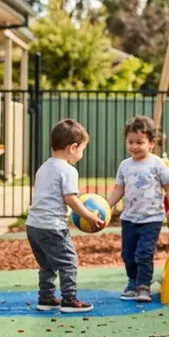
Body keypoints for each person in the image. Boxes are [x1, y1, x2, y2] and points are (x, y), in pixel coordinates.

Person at [25, 119, 102, 313]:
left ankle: (46, 298)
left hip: (33, 226)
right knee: (69, 262)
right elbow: (71, 200)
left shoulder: (44, 168)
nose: (82, 154)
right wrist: (90, 216)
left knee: (47, 265)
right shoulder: (68, 170)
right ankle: (69, 300)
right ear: (73, 148)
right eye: (83, 149)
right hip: (52, 227)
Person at [105, 115, 169, 304]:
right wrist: (107, 206)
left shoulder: (156, 164)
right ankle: (132, 282)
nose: (134, 146)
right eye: (130, 142)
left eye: (140, 142)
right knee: (128, 254)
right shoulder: (125, 165)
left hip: (151, 219)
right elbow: (119, 189)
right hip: (129, 218)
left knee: (144, 253)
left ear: (151, 143)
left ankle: (143, 286)